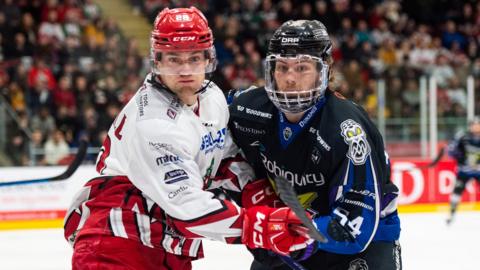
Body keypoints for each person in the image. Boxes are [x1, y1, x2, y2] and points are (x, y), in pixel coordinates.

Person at [63, 7, 311, 270]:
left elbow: (221, 155)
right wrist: (260, 225)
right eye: (174, 59)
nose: (185, 70)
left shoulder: (212, 97)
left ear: (208, 59)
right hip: (116, 243)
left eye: (194, 59)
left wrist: (252, 190)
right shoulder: (155, 124)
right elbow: (188, 207)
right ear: (157, 61)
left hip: (165, 245)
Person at [228, 20, 402, 269]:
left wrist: (290, 230)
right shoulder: (247, 109)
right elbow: (206, 126)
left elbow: (356, 227)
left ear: (325, 70)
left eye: (302, 68)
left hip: (363, 243)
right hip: (288, 233)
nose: (289, 79)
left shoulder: (347, 131)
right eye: (282, 67)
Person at [446, 116, 480, 225]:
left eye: (478, 125)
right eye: (474, 125)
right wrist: (458, 156)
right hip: (464, 170)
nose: (476, 127)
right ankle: (451, 213)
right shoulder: (462, 136)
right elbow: (450, 149)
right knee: (457, 192)